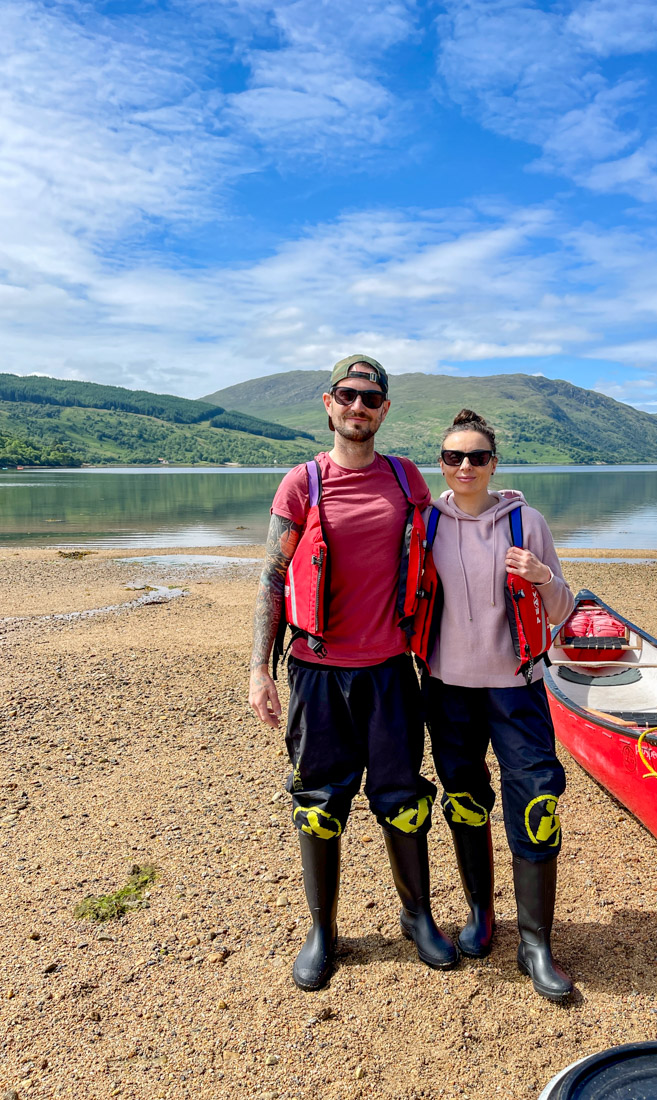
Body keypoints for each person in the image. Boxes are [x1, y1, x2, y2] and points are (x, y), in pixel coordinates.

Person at [248, 355, 458, 992]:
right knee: (318, 801)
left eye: (371, 398)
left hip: (391, 671)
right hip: (316, 673)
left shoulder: (406, 480)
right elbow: (273, 578)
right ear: (329, 403)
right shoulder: (301, 484)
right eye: (348, 396)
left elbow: (448, 543)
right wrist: (260, 670)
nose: (359, 407)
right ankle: (323, 930)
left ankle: (417, 915)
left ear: (385, 409)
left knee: (402, 798)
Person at [421, 409, 576, 1001]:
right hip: (447, 687)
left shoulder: (525, 522)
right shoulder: (425, 524)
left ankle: (536, 942)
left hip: (518, 686)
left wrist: (539, 574)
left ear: (493, 464)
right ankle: (481, 915)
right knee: (463, 798)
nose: (465, 466)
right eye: (454, 457)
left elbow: (561, 609)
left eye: (477, 457)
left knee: (536, 800)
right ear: (441, 464)